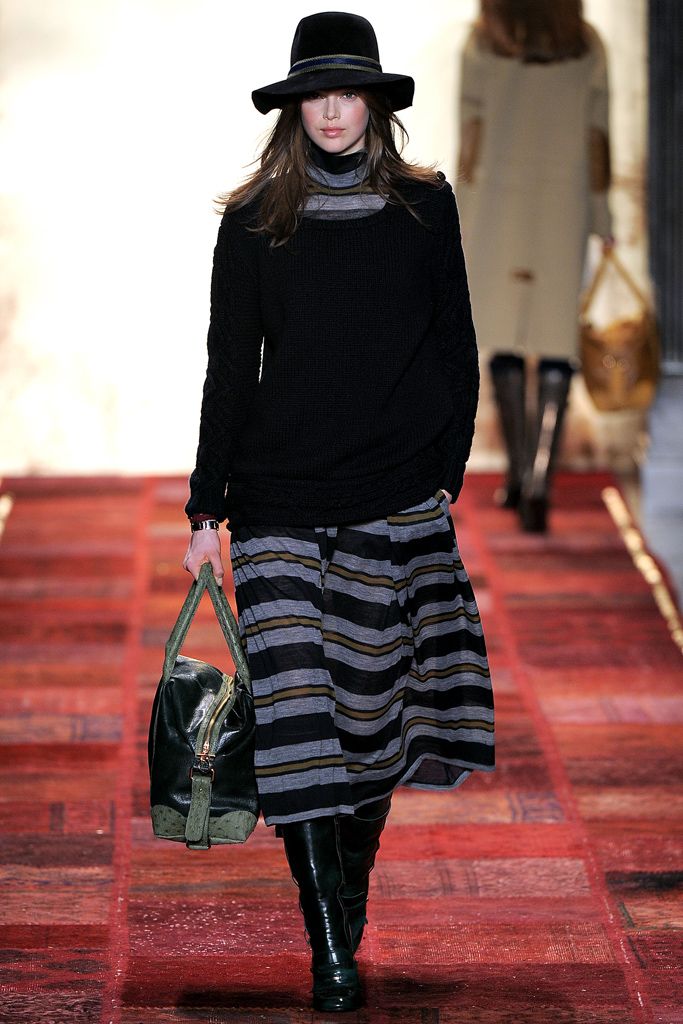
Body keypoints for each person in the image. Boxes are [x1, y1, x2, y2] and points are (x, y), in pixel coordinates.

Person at [183, 12, 494, 1012]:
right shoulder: (253, 221)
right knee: (297, 719)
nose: (330, 110)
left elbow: (455, 344)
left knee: (367, 721)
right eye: (315, 93)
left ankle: (345, 902)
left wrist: (443, 470)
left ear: (372, 103)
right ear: (293, 107)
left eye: (346, 91)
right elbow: (229, 369)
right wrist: (205, 510)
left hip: (394, 501)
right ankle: (329, 947)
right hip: (276, 501)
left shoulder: (422, 208)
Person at [457, 0, 613, 532]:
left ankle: (522, 473)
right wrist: (603, 215)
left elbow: (471, 133)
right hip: (562, 203)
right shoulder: (584, 42)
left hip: (496, 203)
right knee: (554, 337)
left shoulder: (486, 38)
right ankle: (539, 483)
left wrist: (461, 214)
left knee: (503, 334)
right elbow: (597, 137)